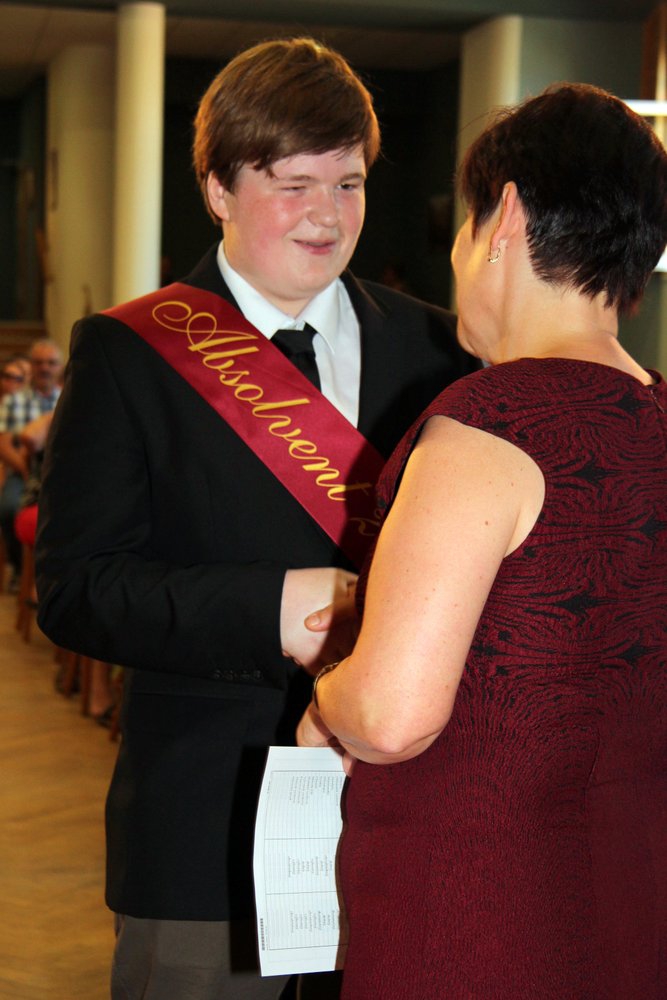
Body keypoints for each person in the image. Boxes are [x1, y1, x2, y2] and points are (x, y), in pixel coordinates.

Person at [35, 37, 477, 1000]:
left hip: (404, 820)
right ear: (217, 190)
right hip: (208, 827)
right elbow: (75, 590)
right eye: (292, 184)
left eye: (349, 183)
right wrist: (271, 608)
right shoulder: (130, 353)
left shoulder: (438, 347)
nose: (328, 214)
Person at [297, 82, 667, 999]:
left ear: (504, 218)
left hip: (475, 916)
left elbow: (391, 716)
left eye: (462, 228)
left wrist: (330, 692)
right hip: (635, 903)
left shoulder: (491, 423)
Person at [0, 340, 62, 590]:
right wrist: (29, 473)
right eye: (39, 362)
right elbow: (4, 445)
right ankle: (19, 568)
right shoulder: (13, 401)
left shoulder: (68, 399)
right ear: (31, 366)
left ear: (60, 367)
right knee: (8, 508)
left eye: (51, 363)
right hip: (22, 472)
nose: (45, 368)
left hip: (60, 474)